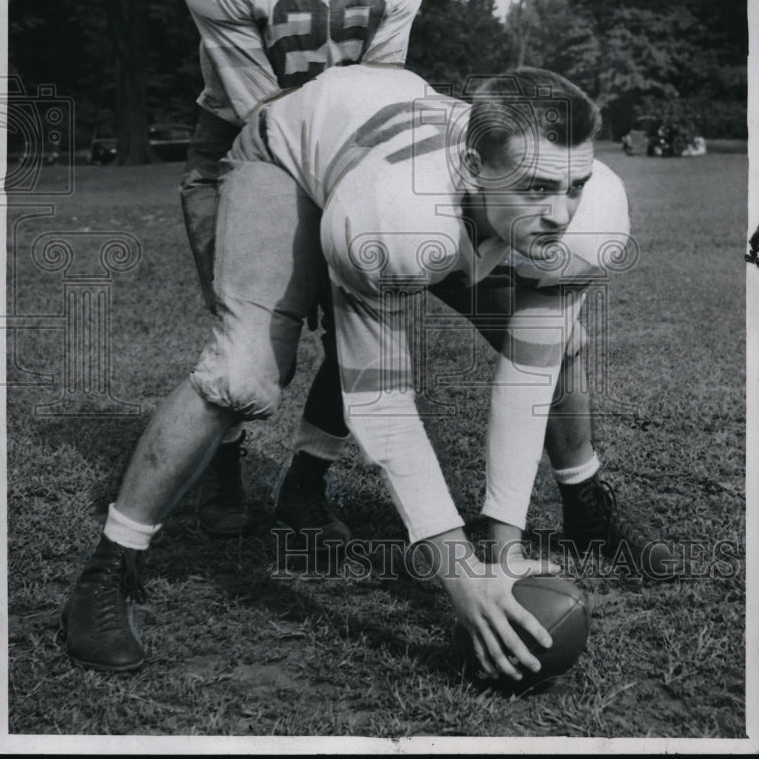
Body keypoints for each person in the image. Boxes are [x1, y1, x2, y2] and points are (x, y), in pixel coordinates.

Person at [62, 65, 673, 680]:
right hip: (291, 154)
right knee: (245, 372)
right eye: (537, 186)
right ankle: (111, 566)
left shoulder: (592, 215)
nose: (562, 212)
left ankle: (587, 507)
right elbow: (380, 399)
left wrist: (502, 546)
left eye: (574, 184)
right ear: (471, 167)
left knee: (560, 342)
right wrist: (459, 574)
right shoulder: (393, 214)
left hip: (402, 155)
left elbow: (527, 372)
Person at [179, 0, 424, 539]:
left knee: (368, 322)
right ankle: (224, 460)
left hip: (348, 150)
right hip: (240, 150)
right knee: (248, 336)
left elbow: (378, 93)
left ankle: (307, 482)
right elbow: (261, 117)